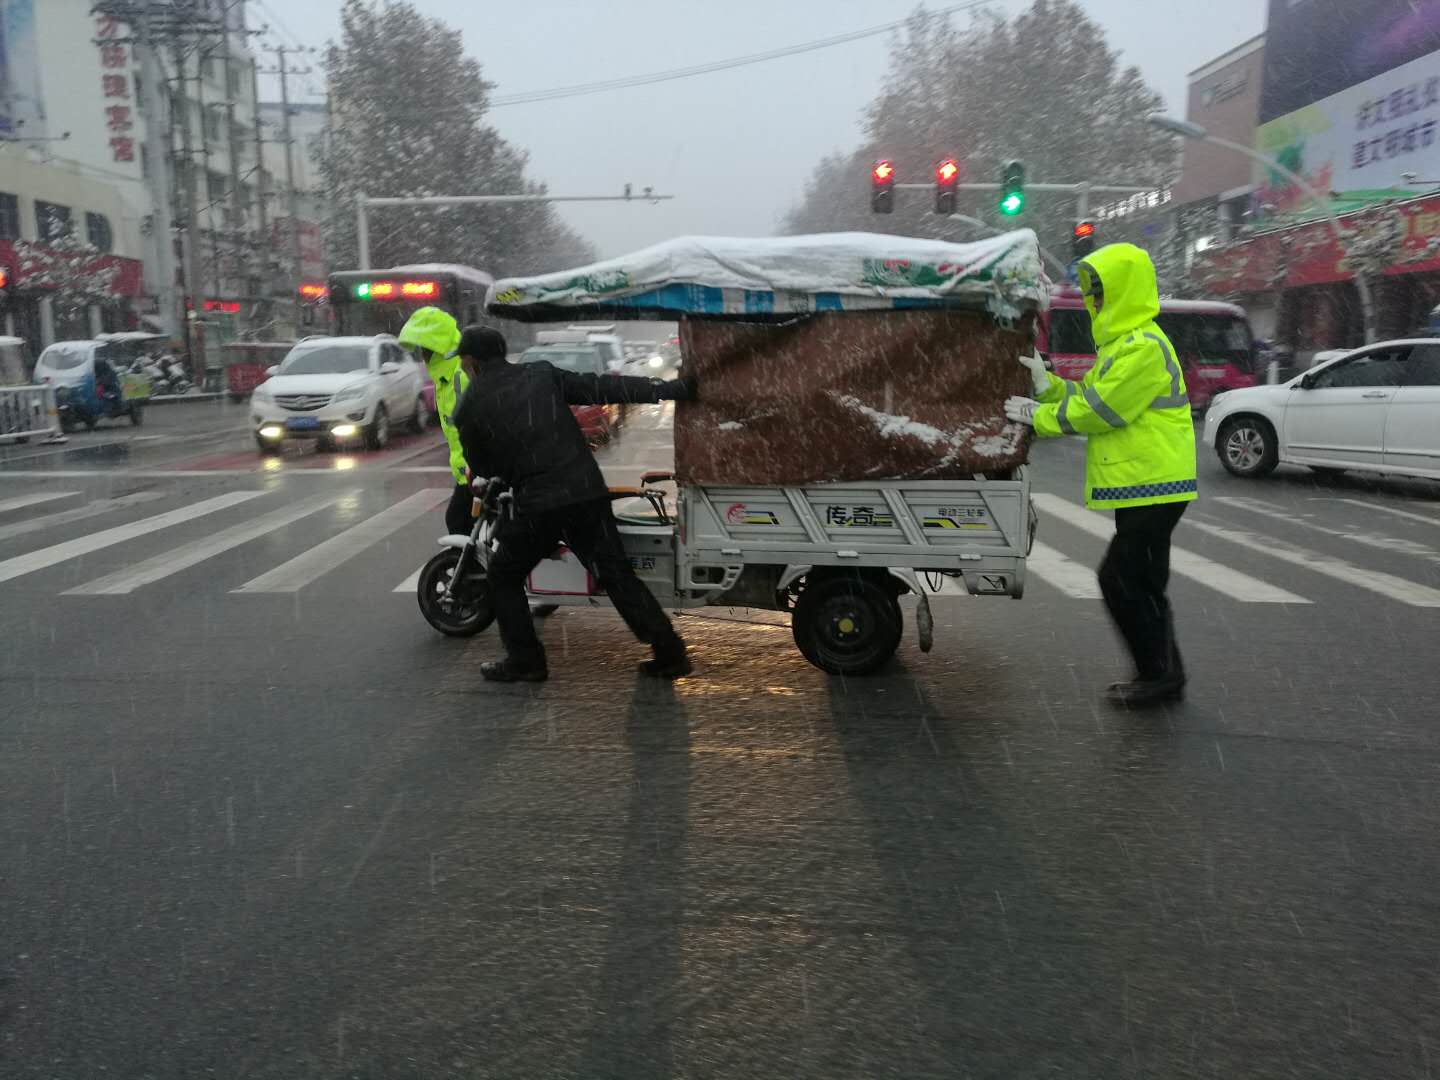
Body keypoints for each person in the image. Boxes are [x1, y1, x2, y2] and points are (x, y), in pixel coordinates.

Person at [1004, 243, 1197, 707]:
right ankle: (1164, 673)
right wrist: (1048, 387)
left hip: (1155, 483)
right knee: (1144, 583)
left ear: (1126, 291)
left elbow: (1100, 411)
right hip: (1144, 484)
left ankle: (1158, 675)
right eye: (1091, 293)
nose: (1094, 302)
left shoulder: (1143, 348)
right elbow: (1086, 396)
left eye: (1101, 292)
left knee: (1121, 579)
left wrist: (1036, 416)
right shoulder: (1123, 346)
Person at [451, 324, 696, 683]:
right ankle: (670, 651)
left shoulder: (470, 405)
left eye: (462, 360)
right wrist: (667, 389)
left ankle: (525, 660)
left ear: (471, 360)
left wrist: (509, 464)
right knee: (616, 574)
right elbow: (601, 386)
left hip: (540, 504)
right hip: (585, 492)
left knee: (503, 575)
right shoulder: (540, 374)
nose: (462, 366)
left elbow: (486, 468)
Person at [397, 307, 471, 535]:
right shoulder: (445, 377)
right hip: (469, 471)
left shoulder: (459, 376)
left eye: (425, 348)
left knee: (458, 521)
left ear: (437, 348)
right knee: (463, 523)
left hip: (476, 470)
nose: (422, 355)